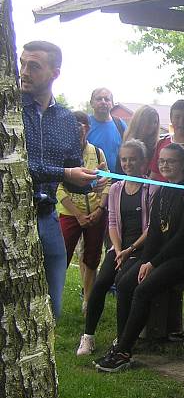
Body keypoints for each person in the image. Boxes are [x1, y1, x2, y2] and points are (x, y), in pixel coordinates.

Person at [92, 144, 184, 372]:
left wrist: (153, 263)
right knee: (125, 283)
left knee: (143, 290)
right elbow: (155, 231)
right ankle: (122, 340)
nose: (165, 165)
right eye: (162, 161)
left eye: (171, 161)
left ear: (183, 164)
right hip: (162, 255)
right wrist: (145, 261)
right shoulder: (163, 189)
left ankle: (124, 352)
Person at [20, 40, 97, 320]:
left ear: (55, 72)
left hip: (48, 220)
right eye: (23, 63)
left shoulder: (66, 119)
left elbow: (70, 170)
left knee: (52, 309)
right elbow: (18, 167)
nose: (25, 71)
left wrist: (88, 181)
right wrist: (66, 174)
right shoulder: (9, 110)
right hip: (13, 220)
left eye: (34, 66)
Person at [77, 140, 157, 356]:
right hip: (119, 248)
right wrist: (118, 249)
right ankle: (88, 336)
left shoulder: (151, 188)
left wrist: (129, 250)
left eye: (133, 159)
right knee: (101, 282)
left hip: (141, 250)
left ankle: (122, 339)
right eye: (124, 159)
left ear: (143, 161)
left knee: (123, 284)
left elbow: (151, 227)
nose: (128, 163)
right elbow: (112, 222)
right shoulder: (115, 188)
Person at [57, 111, 110, 315]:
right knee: (62, 255)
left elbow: (107, 182)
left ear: (88, 128)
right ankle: (54, 300)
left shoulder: (97, 153)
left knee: (92, 258)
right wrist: (77, 214)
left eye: (83, 125)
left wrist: (100, 208)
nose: (79, 129)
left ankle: (88, 300)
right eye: (74, 124)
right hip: (70, 214)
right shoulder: (61, 154)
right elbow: (58, 187)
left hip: (96, 213)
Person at [87, 87, 126, 173]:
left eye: (107, 99)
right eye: (99, 99)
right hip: (91, 178)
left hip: (117, 181)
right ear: (91, 103)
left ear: (112, 104)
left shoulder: (120, 125)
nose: (103, 102)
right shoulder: (85, 125)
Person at [122, 105, 161, 174]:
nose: (152, 125)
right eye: (149, 121)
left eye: (155, 122)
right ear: (139, 121)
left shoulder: (158, 147)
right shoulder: (126, 145)